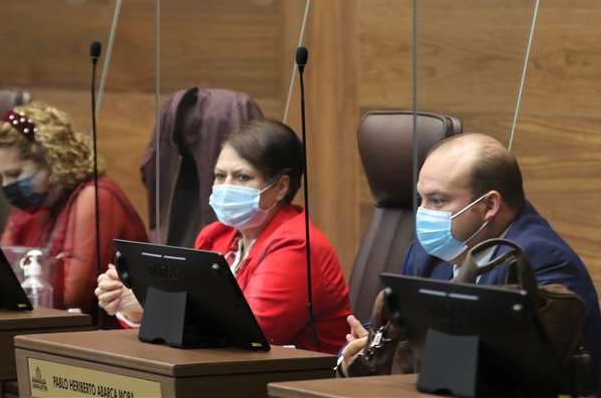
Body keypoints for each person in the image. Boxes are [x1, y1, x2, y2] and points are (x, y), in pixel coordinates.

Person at [339, 133, 601, 380]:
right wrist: (359, 351)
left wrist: (399, 352)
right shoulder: (427, 252)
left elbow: (515, 370)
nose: (423, 213)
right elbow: (385, 329)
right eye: (421, 199)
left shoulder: (540, 260)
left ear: (489, 205)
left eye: (437, 200)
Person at [96, 118, 352, 353]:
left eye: (242, 177)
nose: (226, 187)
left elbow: (248, 334)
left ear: (281, 187)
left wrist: (152, 305)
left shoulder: (297, 245)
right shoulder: (216, 236)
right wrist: (133, 304)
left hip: (296, 378)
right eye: (220, 176)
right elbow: (193, 323)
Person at [0, 101, 147, 314]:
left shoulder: (95, 197)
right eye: (1, 176)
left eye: (15, 174)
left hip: (100, 332)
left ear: (52, 161)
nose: (6, 185)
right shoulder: (33, 207)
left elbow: (73, 298)